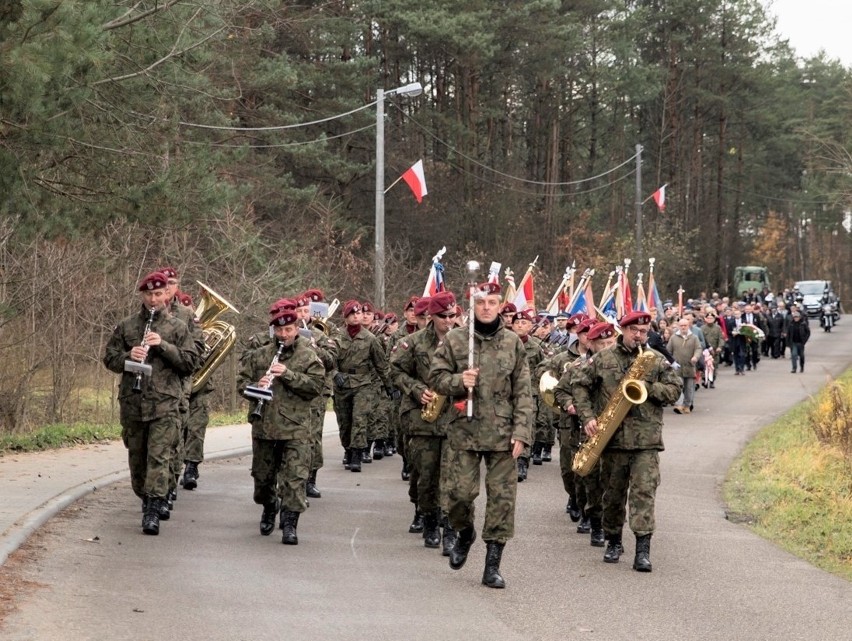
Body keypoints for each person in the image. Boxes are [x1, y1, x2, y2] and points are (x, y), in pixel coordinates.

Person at [430, 281, 533, 589]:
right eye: (481, 302)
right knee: (459, 495)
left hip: (503, 433)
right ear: (472, 305)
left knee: (502, 501)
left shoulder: (513, 342)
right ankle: (464, 532)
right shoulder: (456, 339)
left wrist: (522, 432)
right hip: (466, 428)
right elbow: (436, 378)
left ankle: (492, 564)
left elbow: (524, 391)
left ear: (500, 305)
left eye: (492, 301)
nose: (487, 307)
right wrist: (460, 381)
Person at [570, 310, 681, 572]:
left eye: (644, 332)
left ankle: (643, 550)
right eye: (635, 331)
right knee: (613, 495)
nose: (639, 336)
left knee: (644, 493)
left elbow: (674, 390)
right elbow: (578, 384)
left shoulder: (654, 360)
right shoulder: (602, 358)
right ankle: (613, 540)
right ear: (623, 329)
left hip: (646, 441)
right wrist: (587, 417)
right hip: (613, 439)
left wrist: (648, 387)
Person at [102, 271, 202, 535]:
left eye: (159, 294)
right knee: (138, 463)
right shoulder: (127, 326)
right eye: (149, 294)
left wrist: (164, 346)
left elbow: (191, 363)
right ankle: (147, 497)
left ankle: (152, 511)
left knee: (159, 457)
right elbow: (109, 358)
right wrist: (127, 356)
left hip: (165, 405)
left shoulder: (178, 327)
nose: (154, 299)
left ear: (165, 295)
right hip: (133, 404)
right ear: (142, 296)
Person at [237, 307, 325, 544]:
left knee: (294, 479)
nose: (284, 334)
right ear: (273, 330)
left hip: (296, 428)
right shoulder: (260, 355)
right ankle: (269, 506)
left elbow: (316, 387)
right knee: (263, 479)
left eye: (288, 329)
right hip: (264, 426)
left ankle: (290, 523)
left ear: (297, 329)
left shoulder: (308, 356)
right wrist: (258, 385)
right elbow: (241, 384)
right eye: (279, 330)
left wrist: (287, 374)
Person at [391, 291, 459, 555]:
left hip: (455, 418)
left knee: (453, 477)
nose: (449, 321)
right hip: (424, 420)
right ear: (431, 316)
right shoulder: (414, 343)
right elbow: (395, 371)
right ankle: (430, 521)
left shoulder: (466, 343)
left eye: (453, 316)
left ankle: (450, 529)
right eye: (443, 316)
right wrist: (418, 390)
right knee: (426, 475)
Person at [333, 300, 392, 472]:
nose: (356, 316)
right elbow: (328, 360)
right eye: (352, 314)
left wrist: (390, 387)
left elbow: (381, 365)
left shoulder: (370, 338)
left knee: (359, 419)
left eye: (358, 313)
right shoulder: (337, 336)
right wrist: (334, 374)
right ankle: (348, 450)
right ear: (345, 317)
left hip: (363, 383)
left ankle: (357, 455)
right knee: (345, 422)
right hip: (342, 384)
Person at [296, 289, 338, 500]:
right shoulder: (285, 333)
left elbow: (331, 361)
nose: (303, 315)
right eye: (300, 311)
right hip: (292, 391)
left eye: (306, 311)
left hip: (317, 392)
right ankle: (295, 481)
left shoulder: (321, 335)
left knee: (313, 436)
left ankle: (310, 479)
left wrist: (314, 347)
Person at [667, 318, 701, 414]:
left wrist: (695, 357)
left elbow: (698, 349)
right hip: (677, 368)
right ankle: (679, 405)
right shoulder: (673, 338)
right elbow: (668, 351)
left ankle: (687, 405)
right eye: (681, 325)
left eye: (685, 325)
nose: (683, 327)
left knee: (689, 388)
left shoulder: (694, 337)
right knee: (678, 386)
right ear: (678, 326)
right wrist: (669, 361)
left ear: (688, 326)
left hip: (690, 367)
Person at [786, 308, 810, 373]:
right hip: (793, 342)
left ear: (799, 317)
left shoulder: (803, 324)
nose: (796, 318)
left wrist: (805, 340)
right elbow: (788, 333)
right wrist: (788, 342)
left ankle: (802, 366)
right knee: (794, 355)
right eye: (795, 317)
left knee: (801, 355)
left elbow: (808, 332)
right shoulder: (791, 324)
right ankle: (794, 368)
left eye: (797, 317)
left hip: (801, 343)